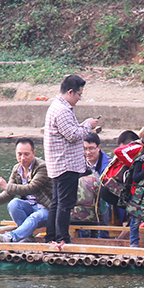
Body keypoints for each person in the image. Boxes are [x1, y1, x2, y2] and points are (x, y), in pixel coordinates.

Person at [43, 74, 101, 245]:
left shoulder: (58, 107)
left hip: (60, 164)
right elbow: (73, 135)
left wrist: (84, 124)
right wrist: (88, 125)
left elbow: (71, 131)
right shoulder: (62, 111)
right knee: (65, 204)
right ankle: (62, 239)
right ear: (70, 92)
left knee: (57, 202)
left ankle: (51, 237)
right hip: (66, 165)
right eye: (79, 94)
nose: (79, 98)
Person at [0, 138, 53, 243]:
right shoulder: (17, 169)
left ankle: (12, 237)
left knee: (34, 217)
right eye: (19, 154)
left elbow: (31, 188)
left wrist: (6, 186)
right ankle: (26, 237)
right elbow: (10, 193)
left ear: (33, 153)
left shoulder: (42, 167)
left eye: (26, 154)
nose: (22, 158)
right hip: (30, 206)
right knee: (14, 204)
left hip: (47, 209)